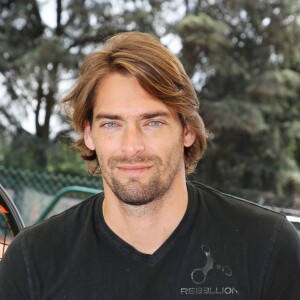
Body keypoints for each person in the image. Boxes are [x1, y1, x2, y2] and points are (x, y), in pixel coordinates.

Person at [0, 32, 299, 299]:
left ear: (187, 130)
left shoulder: (269, 248)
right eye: (112, 124)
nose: (132, 146)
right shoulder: (33, 259)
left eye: (153, 122)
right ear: (89, 134)